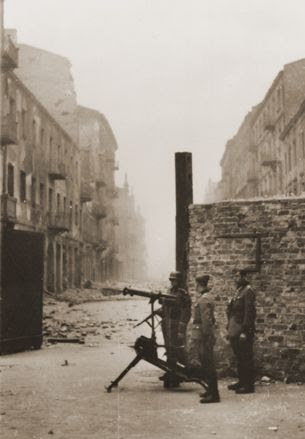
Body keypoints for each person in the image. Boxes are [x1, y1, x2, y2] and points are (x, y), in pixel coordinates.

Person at [188, 274, 220, 403]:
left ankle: (214, 395)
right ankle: (210, 390)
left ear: (199, 285)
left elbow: (207, 321)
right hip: (203, 336)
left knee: (208, 365)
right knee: (207, 364)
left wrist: (207, 337)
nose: (196, 287)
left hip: (203, 337)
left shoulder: (203, 300)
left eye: (197, 285)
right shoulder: (207, 298)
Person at [159, 271, 191, 387]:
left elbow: (186, 313)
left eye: (174, 280)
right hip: (167, 325)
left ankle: (177, 376)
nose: (172, 282)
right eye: (171, 280)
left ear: (179, 281)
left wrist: (181, 330)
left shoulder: (183, 294)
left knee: (176, 350)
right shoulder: (169, 291)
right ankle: (170, 373)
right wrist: (160, 311)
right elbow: (165, 308)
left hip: (176, 326)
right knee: (169, 349)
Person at [227, 269, 256, 394]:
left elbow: (249, 313)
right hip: (235, 328)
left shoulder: (248, 291)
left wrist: (245, 331)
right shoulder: (239, 291)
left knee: (245, 357)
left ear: (244, 277)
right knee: (239, 357)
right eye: (234, 276)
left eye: (237, 276)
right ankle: (241, 381)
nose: (235, 278)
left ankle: (248, 385)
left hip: (243, 330)